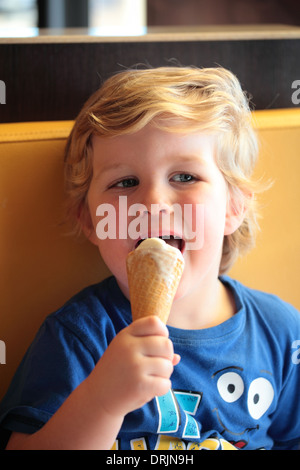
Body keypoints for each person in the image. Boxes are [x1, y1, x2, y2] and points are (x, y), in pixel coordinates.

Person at [1, 66, 299, 450]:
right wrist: (101, 401)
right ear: (91, 222)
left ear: (234, 207)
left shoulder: (280, 333)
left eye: (185, 177)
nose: (154, 204)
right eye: (125, 183)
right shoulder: (81, 336)